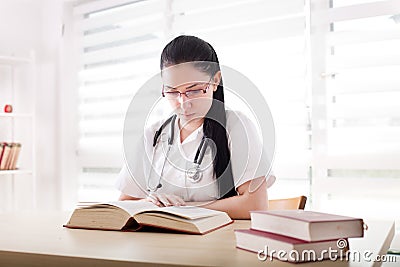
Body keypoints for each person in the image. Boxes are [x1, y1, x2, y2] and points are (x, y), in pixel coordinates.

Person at [116, 35, 275, 219]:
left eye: (194, 90)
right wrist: (148, 203)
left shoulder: (237, 126)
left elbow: (255, 204)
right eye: (172, 92)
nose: (183, 103)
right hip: (160, 242)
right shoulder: (152, 135)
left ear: (215, 81)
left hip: (216, 241)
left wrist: (183, 209)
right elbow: (122, 204)